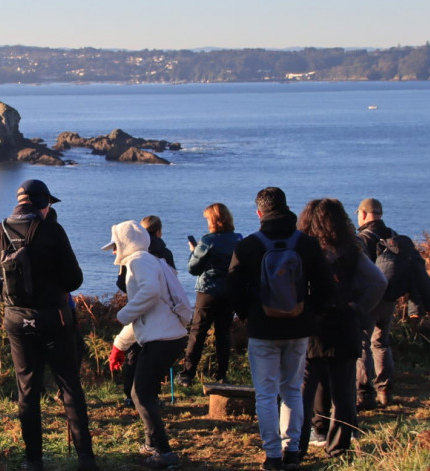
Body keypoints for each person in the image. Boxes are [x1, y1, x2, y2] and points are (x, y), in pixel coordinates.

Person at [0, 179, 97, 471]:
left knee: (27, 388)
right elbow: (74, 280)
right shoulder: (52, 230)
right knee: (69, 385)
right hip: (54, 318)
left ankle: (33, 460)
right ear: (44, 205)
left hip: (17, 319)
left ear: (19, 202)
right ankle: (85, 459)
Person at [228, 187, 334, 471]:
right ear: (288, 208)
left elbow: (233, 289)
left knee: (265, 394)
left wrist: (248, 316)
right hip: (299, 328)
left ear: (259, 213)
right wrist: (310, 312)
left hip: (262, 329)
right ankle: (293, 451)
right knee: (292, 391)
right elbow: (325, 286)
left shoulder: (248, 246)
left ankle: (272, 456)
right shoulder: (307, 244)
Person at [296, 199, 386, 460]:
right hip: (344, 324)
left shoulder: (302, 249)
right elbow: (379, 281)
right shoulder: (351, 251)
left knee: (303, 390)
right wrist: (359, 307)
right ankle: (338, 448)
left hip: (311, 326)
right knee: (344, 393)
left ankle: (298, 446)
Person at [105, 220, 192, 469]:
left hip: (161, 339)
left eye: (115, 245)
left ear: (126, 243)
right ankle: (152, 444)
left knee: (140, 393)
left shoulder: (137, 261)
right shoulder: (151, 259)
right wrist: (119, 345)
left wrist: (123, 314)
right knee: (146, 392)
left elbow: (150, 293)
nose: (113, 251)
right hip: (168, 335)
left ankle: (163, 452)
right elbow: (148, 313)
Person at [354, 198, 430, 409]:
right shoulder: (393, 235)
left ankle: (364, 394)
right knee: (381, 343)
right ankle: (385, 390)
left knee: (362, 343)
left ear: (363, 214)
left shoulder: (362, 239)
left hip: (370, 298)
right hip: (389, 298)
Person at [178, 203, 242, 387]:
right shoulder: (238, 239)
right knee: (223, 333)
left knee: (198, 331)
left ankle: (187, 374)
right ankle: (221, 374)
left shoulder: (207, 241)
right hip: (228, 291)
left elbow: (193, 268)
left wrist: (193, 252)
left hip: (208, 291)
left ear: (213, 220)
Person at [116, 215, 175, 407]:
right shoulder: (165, 252)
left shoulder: (133, 255)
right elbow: (172, 280)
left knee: (134, 353)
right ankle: (153, 394)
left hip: (138, 308)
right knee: (153, 358)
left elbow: (122, 283)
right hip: (163, 313)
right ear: (159, 231)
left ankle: (130, 394)